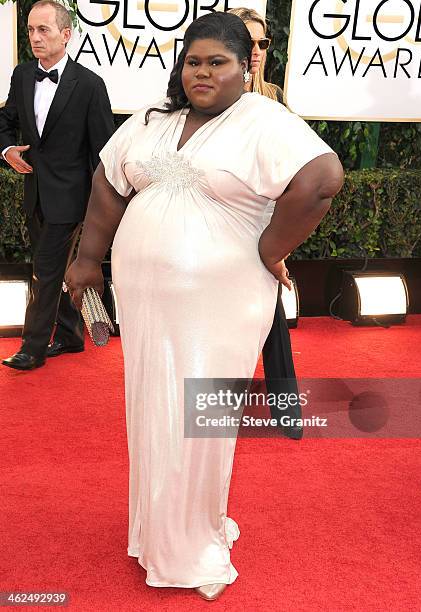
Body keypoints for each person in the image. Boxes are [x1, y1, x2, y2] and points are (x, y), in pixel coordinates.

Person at [65, 11, 343, 601]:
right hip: (143, 297)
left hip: (221, 299)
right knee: (156, 406)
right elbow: (108, 184)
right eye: (193, 61)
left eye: (218, 62)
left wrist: (271, 247)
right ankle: (158, 532)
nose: (203, 72)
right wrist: (87, 259)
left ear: (245, 68)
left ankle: (189, 541)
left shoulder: (266, 122)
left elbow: (322, 179)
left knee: (198, 414)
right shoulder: (150, 120)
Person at [0, 0, 114, 371]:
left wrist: (101, 209)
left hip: (71, 198)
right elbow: (6, 120)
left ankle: (32, 347)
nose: (34, 37)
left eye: (43, 30)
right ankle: (69, 334)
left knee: (45, 270)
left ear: (66, 35)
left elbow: (103, 150)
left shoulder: (90, 85)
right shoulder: (21, 76)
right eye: (31, 30)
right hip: (35, 193)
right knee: (56, 267)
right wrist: (6, 150)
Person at [229, 7, 302, 437]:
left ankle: (286, 406)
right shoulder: (211, 98)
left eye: (263, 43)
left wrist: (280, 241)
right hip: (221, 225)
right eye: (248, 41)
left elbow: (297, 174)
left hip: (264, 228)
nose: (256, 51)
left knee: (271, 317)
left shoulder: (274, 99)